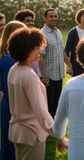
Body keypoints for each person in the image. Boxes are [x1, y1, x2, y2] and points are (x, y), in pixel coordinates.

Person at [7, 27, 55, 159]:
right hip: (32, 133)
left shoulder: (13, 69)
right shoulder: (29, 75)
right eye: (38, 47)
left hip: (18, 132)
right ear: (28, 50)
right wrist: (57, 132)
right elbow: (40, 110)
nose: (40, 50)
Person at [39, 8, 72, 117]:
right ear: (45, 18)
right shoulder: (42, 34)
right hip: (48, 75)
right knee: (48, 102)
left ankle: (54, 125)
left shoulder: (58, 32)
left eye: (55, 16)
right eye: (51, 16)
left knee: (56, 102)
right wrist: (44, 76)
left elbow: (61, 51)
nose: (54, 18)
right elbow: (40, 57)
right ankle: (47, 127)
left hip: (59, 74)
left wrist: (69, 65)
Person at [0, 21, 26, 160]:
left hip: (15, 103)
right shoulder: (7, 58)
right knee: (9, 141)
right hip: (11, 103)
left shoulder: (16, 56)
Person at [65, 8, 84, 76]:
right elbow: (66, 51)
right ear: (79, 18)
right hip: (77, 66)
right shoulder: (73, 32)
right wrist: (69, 66)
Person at [14, 9, 40, 75]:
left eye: (32, 21)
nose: (31, 23)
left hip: (35, 73)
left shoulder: (34, 38)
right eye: (27, 21)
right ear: (20, 23)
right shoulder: (17, 41)